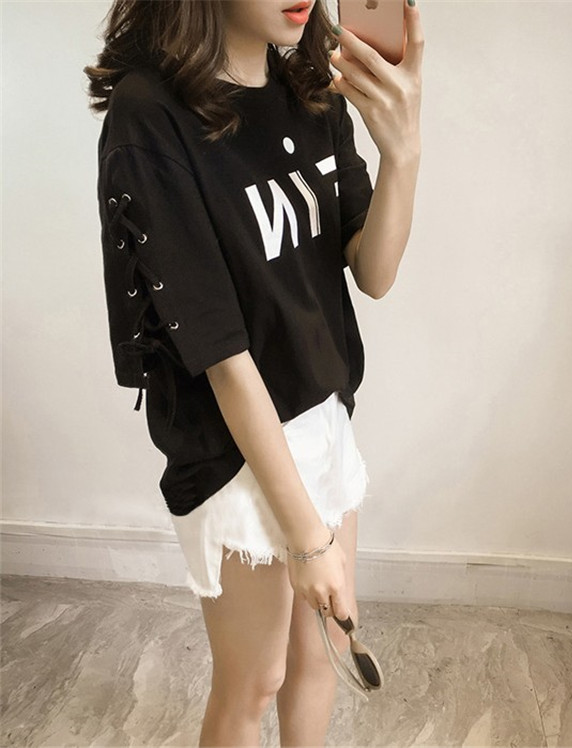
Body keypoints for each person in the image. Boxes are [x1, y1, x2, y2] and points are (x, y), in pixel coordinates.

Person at [84, 0, 423, 744]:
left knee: (324, 654)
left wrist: (402, 153)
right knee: (254, 681)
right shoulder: (151, 115)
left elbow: (373, 272)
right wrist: (307, 539)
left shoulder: (309, 87)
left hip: (323, 416)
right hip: (233, 445)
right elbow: (218, 350)